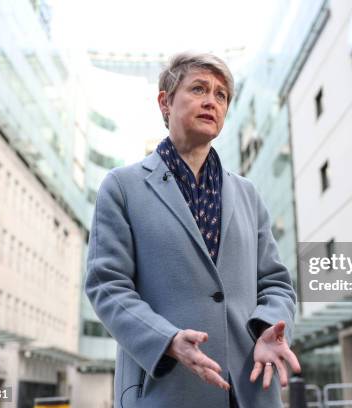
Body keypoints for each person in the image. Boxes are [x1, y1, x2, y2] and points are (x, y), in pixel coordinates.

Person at [85, 52, 301, 408]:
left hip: (249, 391)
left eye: (221, 95)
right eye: (199, 88)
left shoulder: (248, 194)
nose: (211, 101)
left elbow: (276, 282)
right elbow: (106, 285)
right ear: (165, 101)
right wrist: (166, 339)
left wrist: (270, 328)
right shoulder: (122, 187)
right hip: (165, 390)